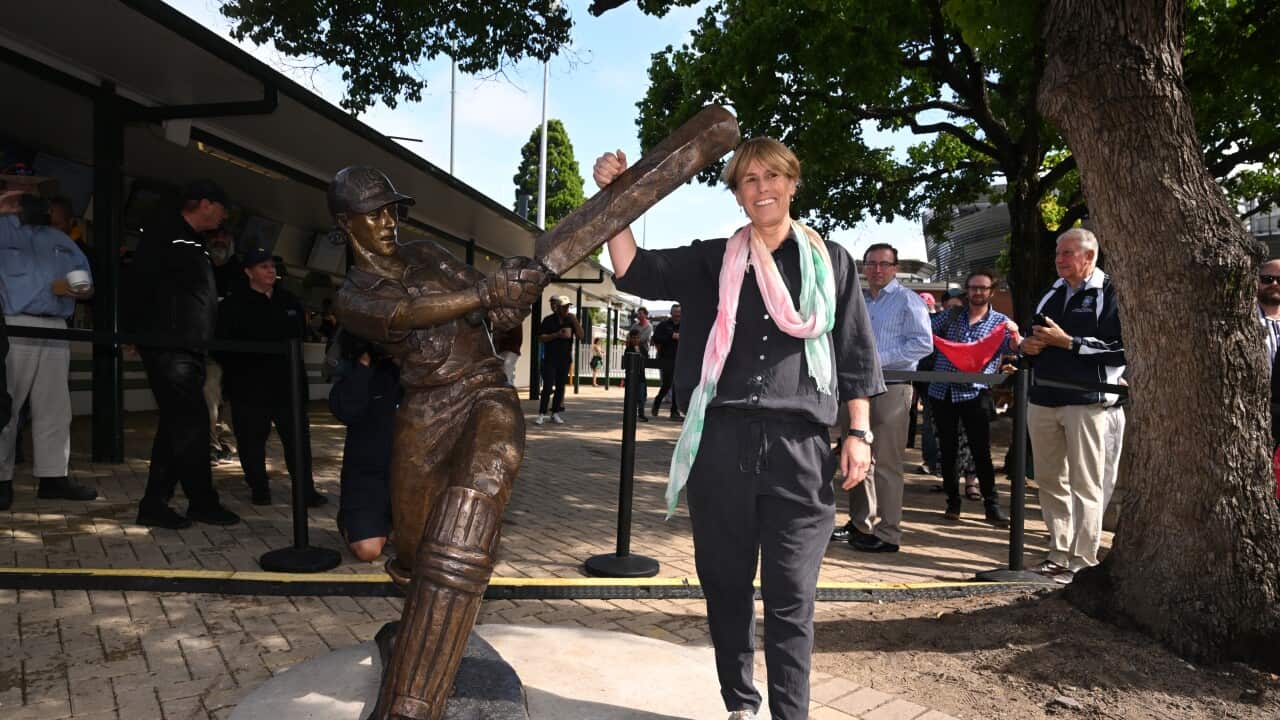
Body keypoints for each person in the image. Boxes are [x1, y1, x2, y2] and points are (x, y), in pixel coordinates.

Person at [595, 137, 883, 720]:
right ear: (736, 193)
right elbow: (633, 269)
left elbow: (854, 354)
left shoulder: (832, 262)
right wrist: (616, 198)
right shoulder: (713, 260)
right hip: (720, 447)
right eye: (749, 180)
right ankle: (740, 707)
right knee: (725, 587)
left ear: (793, 182)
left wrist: (859, 433)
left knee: (791, 597)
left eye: (773, 177)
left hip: (800, 450)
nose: (763, 189)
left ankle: (789, 714)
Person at [329, 166, 546, 715]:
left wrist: (510, 293)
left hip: (484, 388)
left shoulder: (425, 253)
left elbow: (491, 308)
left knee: (482, 484)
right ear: (344, 222)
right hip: (425, 408)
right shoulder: (352, 296)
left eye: (390, 210)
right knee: (413, 547)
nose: (387, 222)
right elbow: (408, 314)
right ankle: (425, 637)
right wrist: (482, 292)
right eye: (373, 213)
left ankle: (415, 696)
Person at [130, 179, 240, 529]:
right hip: (168, 345)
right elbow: (139, 282)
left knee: (178, 425)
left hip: (189, 347)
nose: (224, 216)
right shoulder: (166, 232)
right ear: (205, 203)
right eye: (222, 208)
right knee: (190, 423)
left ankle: (159, 503)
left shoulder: (197, 242)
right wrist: (135, 332)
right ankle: (198, 502)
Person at [1021, 228, 1125, 584]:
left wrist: (1070, 343)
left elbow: (1123, 349)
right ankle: (1057, 553)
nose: (1060, 260)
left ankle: (1082, 561)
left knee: (1087, 484)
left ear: (1090, 257)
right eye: (1057, 253)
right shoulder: (1051, 291)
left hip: (1087, 401)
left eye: (1068, 253)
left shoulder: (1110, 291)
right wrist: (1027, 345)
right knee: (1049, 480)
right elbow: (1031, 333)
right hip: (1043, 398)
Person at [0, 191, 98, 510]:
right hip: (12, 324)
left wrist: (82, 290)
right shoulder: (2, 231)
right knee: (6, 407)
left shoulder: (59, 238)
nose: (32, 205)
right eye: (19, 198)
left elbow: (87, 282)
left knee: (55, 407)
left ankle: (54, 478)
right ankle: (1, 480)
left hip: (56, 324)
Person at [215, 247, 326, 507]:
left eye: (272, 266)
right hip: (249, 388)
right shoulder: (233, 305)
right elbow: (221, 346)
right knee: (251, 441)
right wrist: (239, 374)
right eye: (263, 266)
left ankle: (305, 491)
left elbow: (298, 337)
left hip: (287, 387)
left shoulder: (289, 301)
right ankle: (259, 488)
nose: (271, 270)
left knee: (297, 441)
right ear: (248, 272)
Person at [842, 243, 933, 553]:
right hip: (857, 391)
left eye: (884, 264)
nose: (877, 269)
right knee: (857, 460)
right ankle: (859, 523)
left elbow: (922, 345)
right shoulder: (860, 300)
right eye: (871, 264)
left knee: (887, 464)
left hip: (892, 388)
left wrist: (876, 360)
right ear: (864, 267)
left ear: (896, 268)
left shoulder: (909, 302)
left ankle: (889, 533)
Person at [927, 271, 1018, 526]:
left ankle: (992, 506)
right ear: (967, 290)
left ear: (992, 291)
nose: (978, 292)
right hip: (942, 391)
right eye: (973, 288)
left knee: (981, 451)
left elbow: (1014, 347)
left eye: (983, 288)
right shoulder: (952, 315)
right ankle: (952, 503)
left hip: (976, 392)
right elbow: (926, 331)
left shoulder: (1000, 322)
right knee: (947, 450)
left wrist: (1016, 334)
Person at [329, 332, 400, 562]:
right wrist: (363, 364)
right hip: (368, 480)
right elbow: (346, 411)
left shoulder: (417, 373)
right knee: (368, 551)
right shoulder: (360, 373)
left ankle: (390, 526)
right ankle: (352, 523)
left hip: (408, 479)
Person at [204, 227, 239, 464]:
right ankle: (212, 445)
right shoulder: (200, 268)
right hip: (210, 349)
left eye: (224, 236)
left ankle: (232, 445)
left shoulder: (241, 272)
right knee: (209, 394)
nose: (219, 240)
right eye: (215, 237)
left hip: (237, 351)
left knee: (236, 402)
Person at [536, 294, 583, 425]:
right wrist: (556, 335)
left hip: (565, 358)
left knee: (560, 387)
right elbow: (541, 338)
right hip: (550, 358)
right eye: (564, 307)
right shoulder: (548, 320)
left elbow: (581, 335)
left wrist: (575, 321)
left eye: (568, 307)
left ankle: (555, 413)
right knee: (547, 386)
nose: (566, 310)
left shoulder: (571, 320)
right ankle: (541, 413)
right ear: (558, 308)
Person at [1259, 258, 1280, 447]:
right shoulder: (1243, 320)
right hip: (1256, 411)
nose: (1274, 284)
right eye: (1267, 279)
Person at [653, 304, 683, 419]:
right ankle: (657, 401)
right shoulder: (663, 325)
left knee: (677, 384)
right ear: (671, 313)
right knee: (667, 384)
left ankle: (674, 412)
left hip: (680, 358)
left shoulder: (685, 325)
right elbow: (656, 339)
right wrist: (671, 336)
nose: (677, 314)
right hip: (666, 358)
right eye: (675, 312)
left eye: (679, 312)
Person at [628, 307, 654, 421]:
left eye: (641, 314)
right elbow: (629, 337)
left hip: (641, 368)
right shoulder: (634, 326)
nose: (639, 316)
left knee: (642, 391)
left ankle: (641, 411)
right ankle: (632, 411)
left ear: (645, 315)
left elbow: (644, 339)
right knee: (632, 392)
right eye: (638, 314)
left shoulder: (648, 327)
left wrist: (638, 345)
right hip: (631, 373)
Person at [496, 322, 523, 388]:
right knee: (505, 369)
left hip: (511, 349)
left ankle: (508, 387)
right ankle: (508, 386)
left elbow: (517, 337)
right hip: (503, 349)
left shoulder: (515, 323)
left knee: (507, 367)